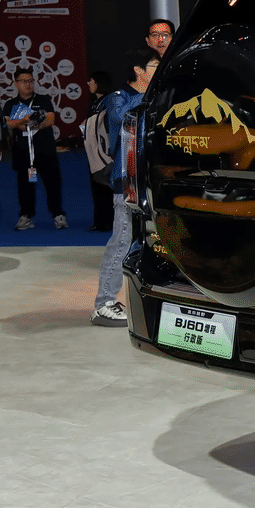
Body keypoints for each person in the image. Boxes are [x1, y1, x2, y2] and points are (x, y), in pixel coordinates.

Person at [91, 48, 159, 325]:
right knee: (121, 241)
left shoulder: (154, 97)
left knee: (148, 242)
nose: (159, 71)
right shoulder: (118, 98)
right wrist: (151, 100)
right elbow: (125, 120)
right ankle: (103, 304)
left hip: (150, 182)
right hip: (127, 183)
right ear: (139, 71)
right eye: (154, 67)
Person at [2, 68, 66, 231]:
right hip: (23, 151)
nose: (28, 84)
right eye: (24, 81)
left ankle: (58, 214)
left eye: (30, 81)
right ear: (16, 83)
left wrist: (29, 125)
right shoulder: (11, 104)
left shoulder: (43, 99)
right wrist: (22, 121)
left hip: (45, 149)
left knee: (52, 183)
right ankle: (26, 215)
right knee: (25, 185)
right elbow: (8, 123)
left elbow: (50, 119)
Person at [87, 70, 115, 232]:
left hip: (105, 152)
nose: (89, 84)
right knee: (96, 185)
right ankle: (99, 220)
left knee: (105, 186)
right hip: (94, 151)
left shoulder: (109, 101)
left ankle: (109, 221)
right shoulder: (95, 103)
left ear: (98, 83)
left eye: (91, 81)